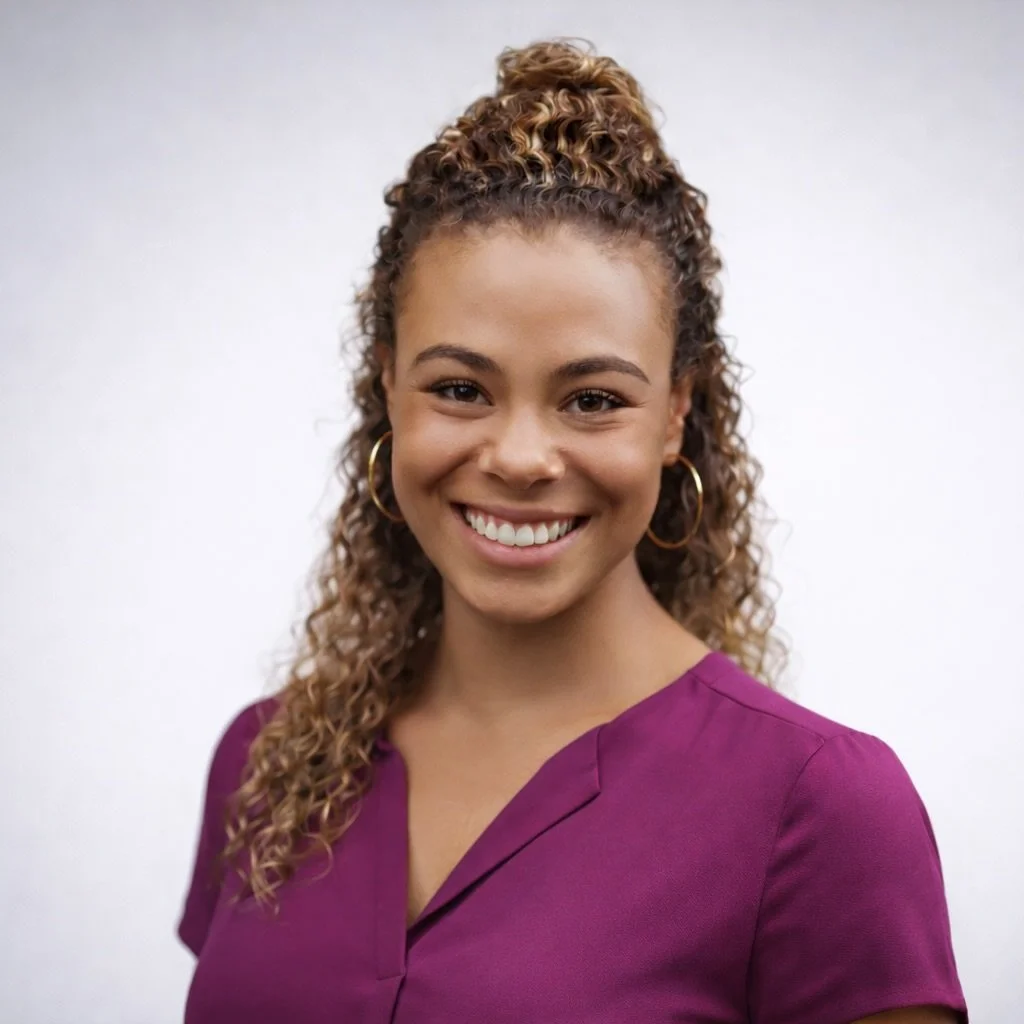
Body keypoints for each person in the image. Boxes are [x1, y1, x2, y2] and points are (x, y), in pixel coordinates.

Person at [176, 38, 968, 1024]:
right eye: (459, 388)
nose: (518, 455)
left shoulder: (819, 810)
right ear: (387, 387)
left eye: (591, 398)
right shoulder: (270, 759)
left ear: (677, 411)